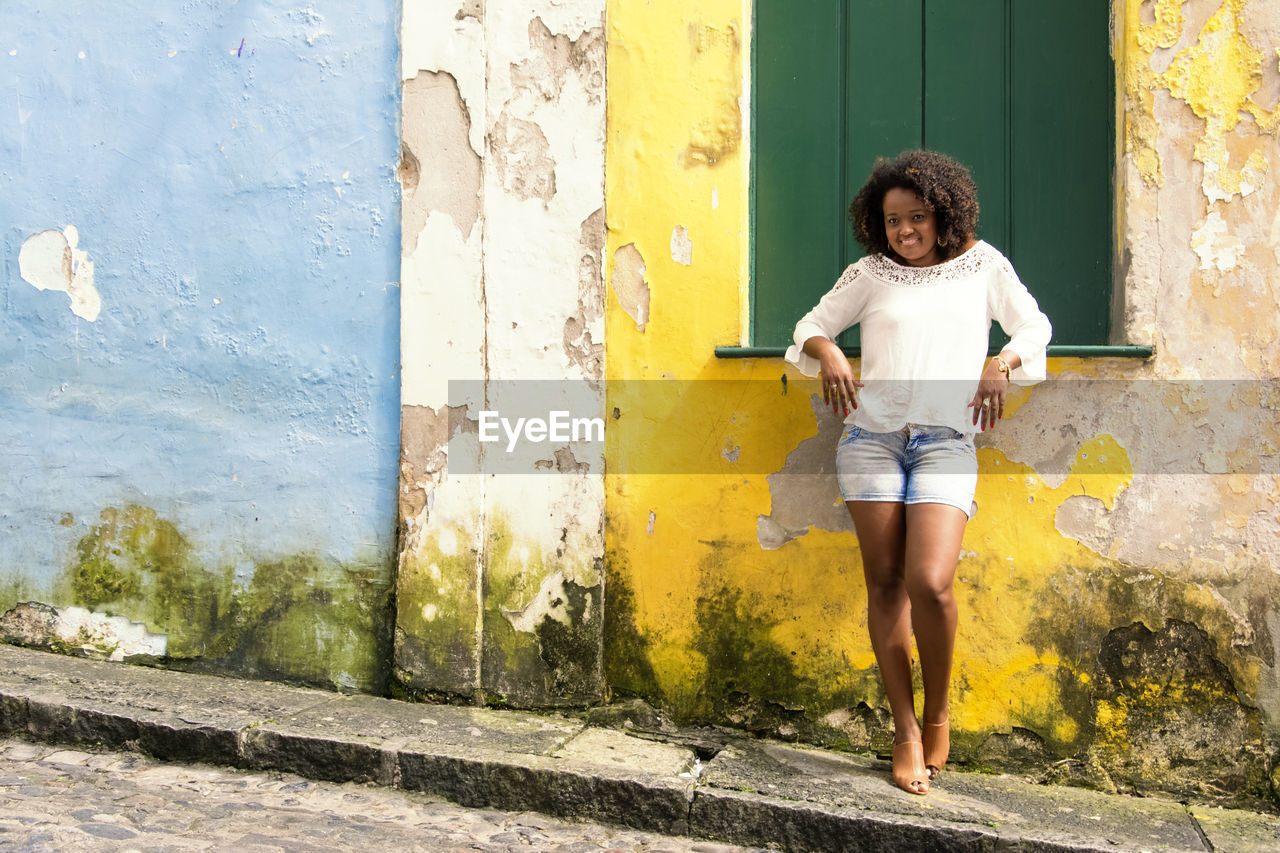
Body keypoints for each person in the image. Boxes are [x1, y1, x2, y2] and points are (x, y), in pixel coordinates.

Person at [784, 150, 1051, 795]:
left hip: (946, 442)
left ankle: (938, 712)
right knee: (885, 585)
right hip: (870, 439)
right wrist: (830, 355)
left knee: (930, 582)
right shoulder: (870, 273)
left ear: (944, 214)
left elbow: (1033, 326)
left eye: (918, 218)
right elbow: (810, 326)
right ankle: (904, 729)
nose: (905, 231)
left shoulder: (984, 266)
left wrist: (1000, 365)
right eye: (894, 221)